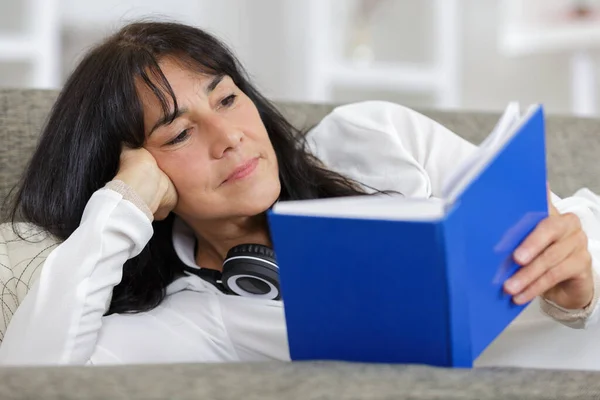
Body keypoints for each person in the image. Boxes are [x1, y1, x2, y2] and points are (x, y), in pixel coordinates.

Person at [1, 21, 599, 367]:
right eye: (180, 132)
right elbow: (33, 374)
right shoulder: (199, 317)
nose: (230, 137)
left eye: (228, 98)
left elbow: (578, 220)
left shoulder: (373, 135)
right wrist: (123, 203)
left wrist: (582, 274)